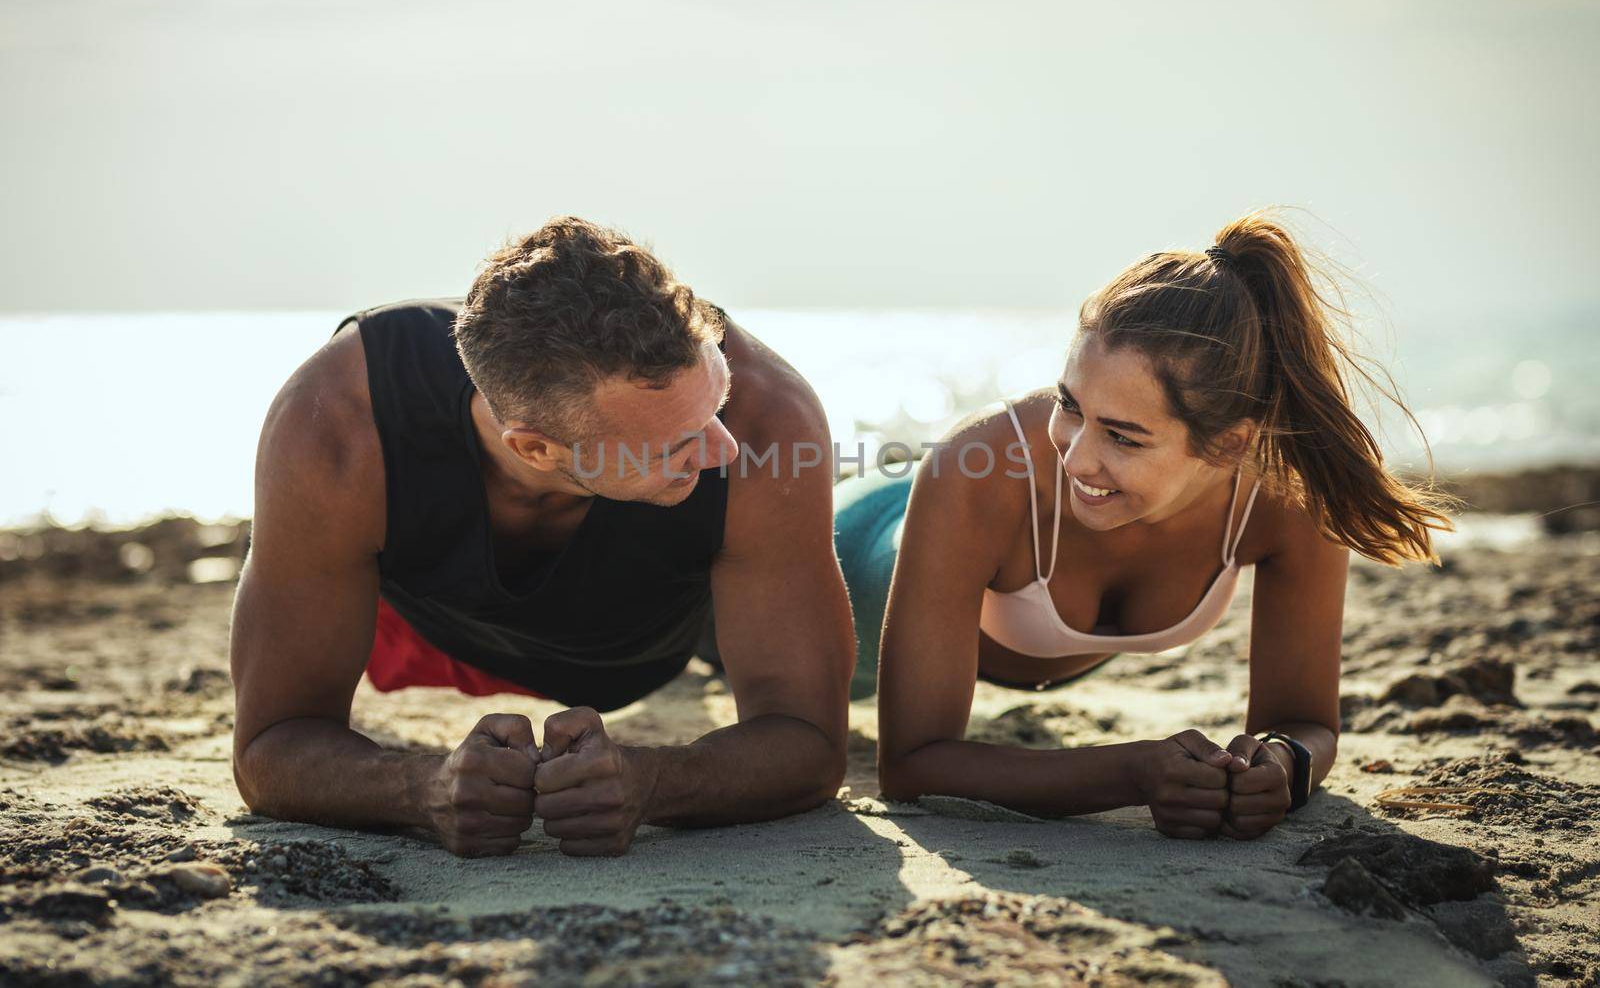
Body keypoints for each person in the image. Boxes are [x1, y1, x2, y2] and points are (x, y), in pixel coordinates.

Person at [231, 217, 854, 857]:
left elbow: (811, 743)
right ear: (535, 447)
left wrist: (655, 781)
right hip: (427, 625)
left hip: (670, 623)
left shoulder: (765, 419)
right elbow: (268, 747)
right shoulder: (340, 423)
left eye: (714, 403)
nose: (724, 450)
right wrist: (423, 789)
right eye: (677, 442)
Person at [850, 211, 1452, 839]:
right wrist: (1132, 772)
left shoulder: (1288, 494)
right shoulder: (975, 473)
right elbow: (911, 765)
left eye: (1122, 436)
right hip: (855, 536)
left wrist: (1279, 765)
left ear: (1228, 445)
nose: (1075, 456)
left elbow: (1306, 722)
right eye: (1069, 405)